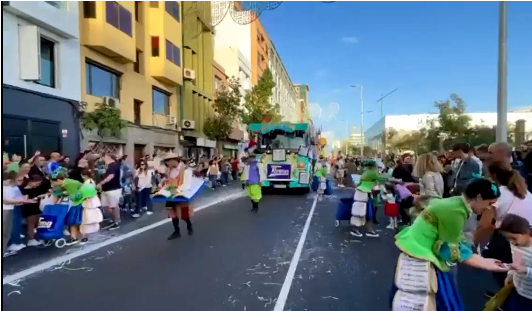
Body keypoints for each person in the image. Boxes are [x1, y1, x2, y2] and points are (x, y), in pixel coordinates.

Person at [389, 178, 509, 311]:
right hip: (422, 253)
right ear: (479, 197)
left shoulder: (456, 202)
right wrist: (483, 263)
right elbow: (449, 249)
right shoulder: (456, 211)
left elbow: (454, 237)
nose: (489, 208)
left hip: (416, 247)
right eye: (489, 203)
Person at [498, 214, 532, 310]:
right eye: (507, 238)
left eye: (513, 238)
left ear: (526, 232)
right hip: (517, 288)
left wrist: (526, 270)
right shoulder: (515, 245)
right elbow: (516, 263)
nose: (511, 242)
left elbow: (522, 268)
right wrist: (510, 274)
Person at [160, 154, 194, 240]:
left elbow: (187, 185)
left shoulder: (186, 170)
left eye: (168, 161)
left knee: (183, 214)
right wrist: (163, 186)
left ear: (174, 160)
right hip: (171, 196)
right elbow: (169, 182)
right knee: (171, 212)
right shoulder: (170, 170)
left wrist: (177, 190)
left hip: (181, 196)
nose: (167, 163)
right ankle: (176, 231)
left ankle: (189, 225)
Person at [350, 159, 387, 237]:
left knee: (368, 212)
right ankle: (356, 229)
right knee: (361, 212)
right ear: (374, 166)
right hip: (364, 193)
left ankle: (367, 229)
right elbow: (383, 178)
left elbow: (359, 183)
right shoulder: (372, 172)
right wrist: (396, 180)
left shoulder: (366, 172)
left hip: (363, 193)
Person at [3, 171, 36, 257]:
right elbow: (6, 200)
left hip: (10, 209)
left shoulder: (10, 187)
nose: (9, 181)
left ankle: (4, 250)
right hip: (4, 210)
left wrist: (24, 200)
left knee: (7, 232)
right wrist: (23, 200)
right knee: (4, 231)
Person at [97, 154, 122, 230]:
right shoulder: (107, 166)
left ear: (109, 158)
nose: (103, 158)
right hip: (106, 189)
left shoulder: (113, 165)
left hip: (113, 189)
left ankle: (117, 221)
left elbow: (111, 176)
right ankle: (114, 219)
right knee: (105, 206)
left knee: (113, 206)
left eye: (105, 157)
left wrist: (101, 183)